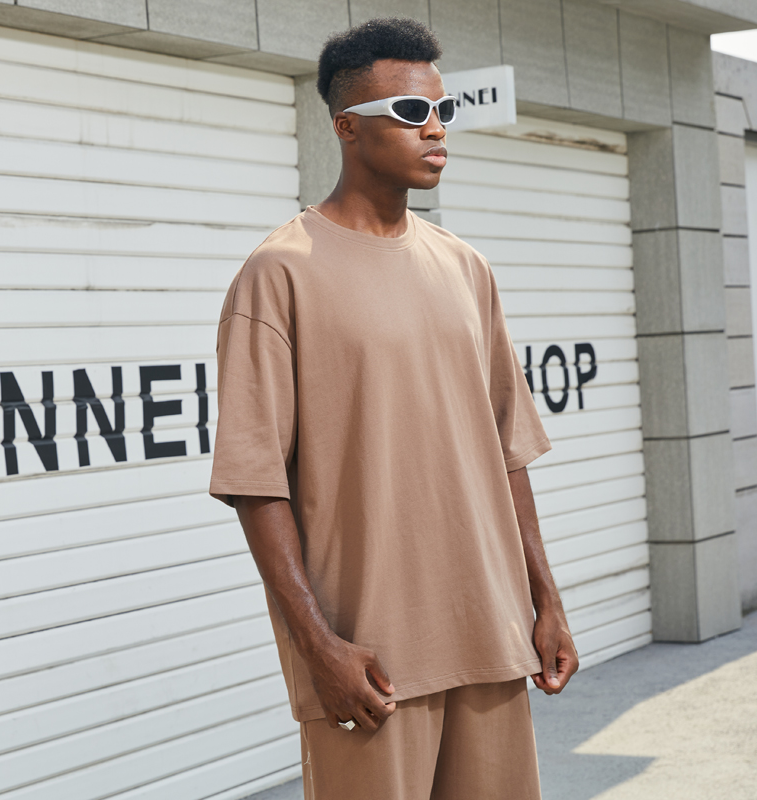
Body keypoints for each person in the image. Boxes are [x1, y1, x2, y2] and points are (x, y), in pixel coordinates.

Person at [209, 16, 579, 800]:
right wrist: (318, 647)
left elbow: (508, 451)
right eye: (411, 112)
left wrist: (546, 602)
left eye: (443, 110)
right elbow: (253, 480)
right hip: (370, 664)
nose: (435, 128)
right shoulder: (279, 274)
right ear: (347, 127)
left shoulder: (467, 269)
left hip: (491, 637)